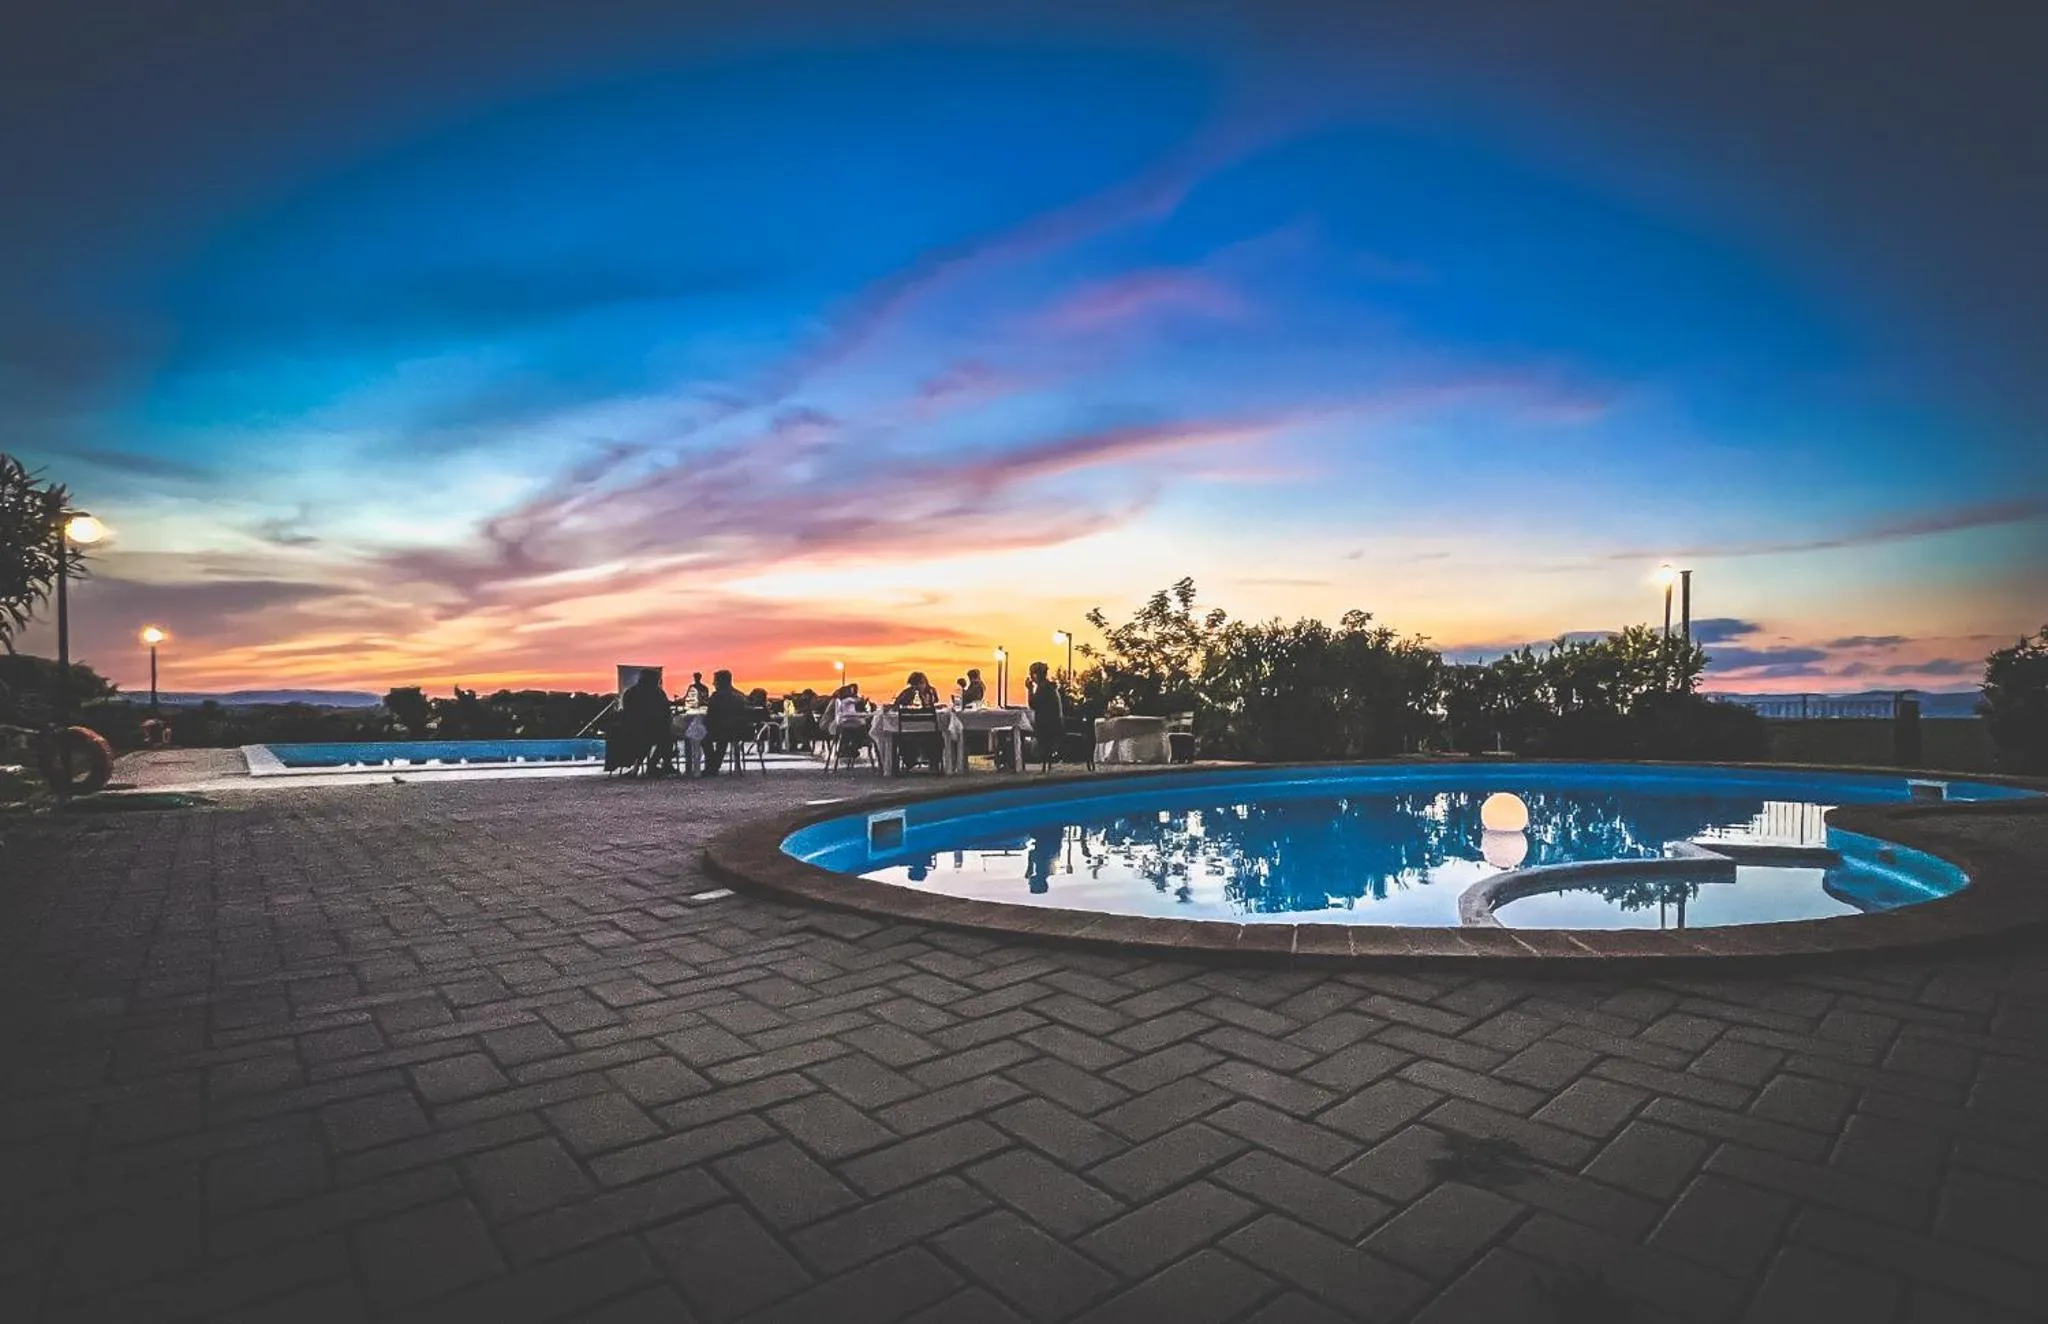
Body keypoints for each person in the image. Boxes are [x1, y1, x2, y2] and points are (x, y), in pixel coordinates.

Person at [615, 668, 672, 775]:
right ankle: (655, 765)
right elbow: (665, 712)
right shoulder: (658, 693)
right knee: (667, 738)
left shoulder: (630, 692)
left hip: (631, 730)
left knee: (656, 737)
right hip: (650, 731)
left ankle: (646, 765)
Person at [704, 669, 751, 774]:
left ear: (721, 682)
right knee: (722, 737)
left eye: (715, 681)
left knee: (702, 736)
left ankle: (712, 766)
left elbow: (710, 718)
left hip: (723, 731)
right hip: (741, 731)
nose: (713, 683)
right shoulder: (741, 696)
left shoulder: (716, 697)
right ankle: (713, 766)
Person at [1026, 660, 1065, 767]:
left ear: (1037, 674)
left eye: (1032, 673)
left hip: (1047, 728)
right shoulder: (1048, 687)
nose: (1030, 676)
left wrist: (1029, 689)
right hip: (1054, 725)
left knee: (1022, 729)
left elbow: (1033, 704)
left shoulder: (1044, 688)